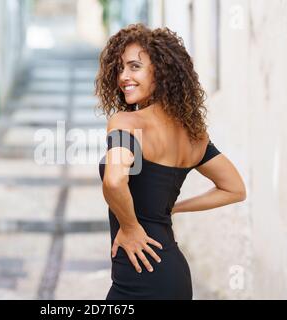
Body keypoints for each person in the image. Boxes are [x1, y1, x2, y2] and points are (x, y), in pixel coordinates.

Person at [95, 24, 246, 300]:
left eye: (134, 67)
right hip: (173, 274)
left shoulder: (126, 123)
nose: (123, 77)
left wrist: (129, 227)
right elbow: (234, 188)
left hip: (140, 273)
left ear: (161, 72)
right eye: (119, 69)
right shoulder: (194, 136)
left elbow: (115, 181)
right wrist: (173, 208)